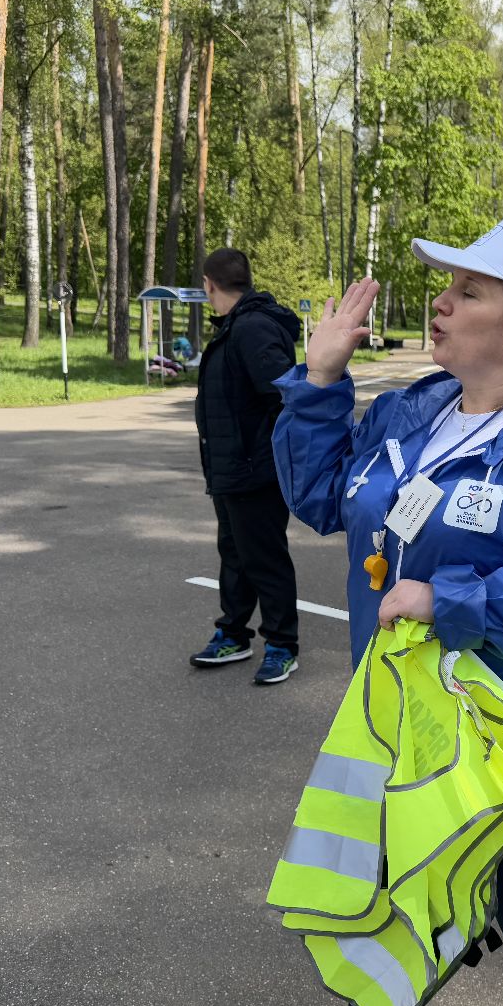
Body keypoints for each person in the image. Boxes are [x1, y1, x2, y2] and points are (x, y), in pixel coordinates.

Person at [272, 215, 503, 1006]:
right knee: (408, 915)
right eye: (446, 286)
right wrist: (319, 384)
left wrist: (451, 602)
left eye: (468, 291)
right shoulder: (416, 411)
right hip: (409, 733)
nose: (440, 303)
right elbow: (321, 498)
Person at [190, 247, 303, 684]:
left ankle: (281, 645)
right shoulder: (236, 326)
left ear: (210, 284)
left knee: (264, 557)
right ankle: (233, 634)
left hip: (254, 472)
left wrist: (260, 456)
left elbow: (284, 397)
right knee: (235, 555)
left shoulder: (252, 328)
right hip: (229, 471)